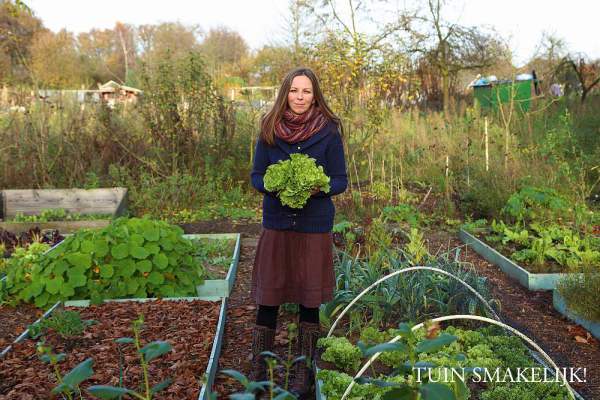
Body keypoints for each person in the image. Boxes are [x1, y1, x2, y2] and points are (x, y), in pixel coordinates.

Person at [249, 67, 348, 398]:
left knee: (309, 299)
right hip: (277, 222)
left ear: (315, 94)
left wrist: (316, 187)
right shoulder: (268, 129)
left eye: (306, 91)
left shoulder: (329, 132)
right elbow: (256, 176)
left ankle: (304, 373)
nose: (300, 97)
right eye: (294, 91)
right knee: (269, 296)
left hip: (313, 224)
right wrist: (275, 186)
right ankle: (259, 371)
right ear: (285, 93)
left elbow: (339, 180)